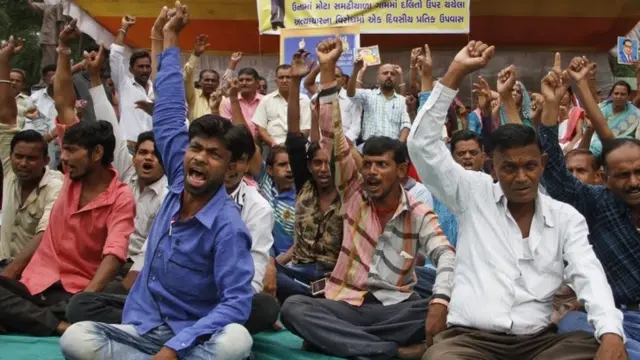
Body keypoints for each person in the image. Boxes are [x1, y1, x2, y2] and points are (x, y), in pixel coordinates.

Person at [408, 41, 626, 360]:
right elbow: (422, 146)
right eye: (509, 167)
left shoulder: (564, 217)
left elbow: (589, 274)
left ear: (543, 164)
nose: (521, 177)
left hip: (539, 343)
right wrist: (455, 71)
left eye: (529, 166)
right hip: (472, 340)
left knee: (594, 349)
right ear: (493, 166)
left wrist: (610, 332)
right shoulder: (472, 193)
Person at [60, 6, 254, 359]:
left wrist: (174, 349)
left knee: (236, 341)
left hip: (193, 336)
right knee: (76, 337)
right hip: (144, 327)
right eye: (195, 148)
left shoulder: (228, 227)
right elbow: (167, 112)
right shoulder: (180, 178)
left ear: (229, 168)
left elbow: (237, 304)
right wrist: (169, 38)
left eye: (213, 154)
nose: (198, 158)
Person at [281, 37, 456, 360]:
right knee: (294, 308)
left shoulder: (417, 210)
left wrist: (440, 301)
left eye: (382, 166)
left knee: (450, 307)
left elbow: (445, 255)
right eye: (369, 165)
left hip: (395, 310)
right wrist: (329, 69)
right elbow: (333, 139)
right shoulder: (354, 194)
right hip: (346, 303)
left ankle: (338, 341)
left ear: (402, 170)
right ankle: (392, 354)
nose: (372, 172)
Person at [0, 23, 136, 337]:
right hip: (35, 284)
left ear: (96, 153)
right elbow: (63, 100)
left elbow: (114, 255)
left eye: (71, 151)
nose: (64, 157)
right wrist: (63, 49)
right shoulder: (71, 179)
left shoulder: (120, 196)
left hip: (76, 292)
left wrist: (88, 298)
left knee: (95, 305)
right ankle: (58, 327)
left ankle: (45, 320)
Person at [540, 54, 640, 358]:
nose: (633, 182)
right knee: (571, 324)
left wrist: (583, 85)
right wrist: (549, 109)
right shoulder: (598, 204)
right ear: (604, 178)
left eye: (639, 172)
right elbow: (556, 177)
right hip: (618, 318)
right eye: (623, 175)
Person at [274, 49, 343, 302]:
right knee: (267, 273)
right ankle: (309, 300)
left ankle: (312, 301)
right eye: (317, 163)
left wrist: (327, 71)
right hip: (299, 271)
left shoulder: (347, 188)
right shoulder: (305, 184)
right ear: (309, 165)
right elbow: (293, 132)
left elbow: (333, 130)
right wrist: (295, 81)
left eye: (328, 163)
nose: (323, 169)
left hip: (336, 273)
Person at [0, 39, 63, 277]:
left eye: (31, 159)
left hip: (34, 274)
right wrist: (4, 62)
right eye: (18, 157)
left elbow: (44, 233)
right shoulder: (10, 171)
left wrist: (10, 274)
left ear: (46, 161)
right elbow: (6, 118)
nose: (23, 164)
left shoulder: (56, 186)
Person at [109, 15, 154, 153]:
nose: (145, 70)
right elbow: (115, 57)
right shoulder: (124, 84)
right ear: (131, 69)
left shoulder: (157, 89)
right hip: (129, 148)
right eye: (140, 67)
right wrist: (124, 28)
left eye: (147, 66)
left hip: (154, 149)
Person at [346, 59, 411, 143]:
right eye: (385, 73)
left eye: (392, 74)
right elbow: (351, 94)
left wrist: (399, 145)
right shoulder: (368, 95)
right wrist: (356, 71)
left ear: (396, 79)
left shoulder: (401, 100)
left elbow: (406, 124)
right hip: (370, 148)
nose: (389, 76)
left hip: (393, 147)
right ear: (377, 78)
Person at [253, 64, 311, 146]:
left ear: (293, 79)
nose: (284, 80)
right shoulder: (266, 100)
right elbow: (261, 129)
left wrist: (290, 145)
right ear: (276, 81)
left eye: (288, 77)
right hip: (273, 148)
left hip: (299, 147)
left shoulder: (305, 100)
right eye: (281, 77)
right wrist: (274, 145)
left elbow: (306, 129)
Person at [589, 80, 640, 156]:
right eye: (616, 93)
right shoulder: (601, 109)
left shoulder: (635, 113)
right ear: (611, 95)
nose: (618, 97)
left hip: (622, 147)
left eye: (623, 94)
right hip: (598, 143)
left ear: (628, 96)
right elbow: (591, 131)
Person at [183, 34, 220, 121]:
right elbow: (187, 77)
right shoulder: (193, 95)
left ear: (218, 83)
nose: (210, 83)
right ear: (199, 82)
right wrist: (196, 55)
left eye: (213, 81)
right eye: (207, 80)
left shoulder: (221, 98)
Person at [219, 67, 263, 138]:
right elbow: (226, 127)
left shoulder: (265, 101)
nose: (244, 83)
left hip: (262, 142)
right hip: (236, 141)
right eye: (241, 80)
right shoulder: (227, 102)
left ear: (257, 83)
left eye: (248, 80)